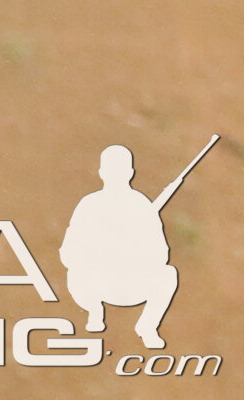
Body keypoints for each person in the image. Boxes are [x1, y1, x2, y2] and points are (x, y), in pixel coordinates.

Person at [62, 145, 182, 349]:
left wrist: (132, 250)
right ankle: (94, 311)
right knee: (76, 272)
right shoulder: (90, 204)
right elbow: (68, 253)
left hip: (130, 284)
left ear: (101, 172)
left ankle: (146, 326)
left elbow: (160, 255)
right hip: (97, 284)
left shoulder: (140, 206)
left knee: (168, 274)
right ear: (131, 173)